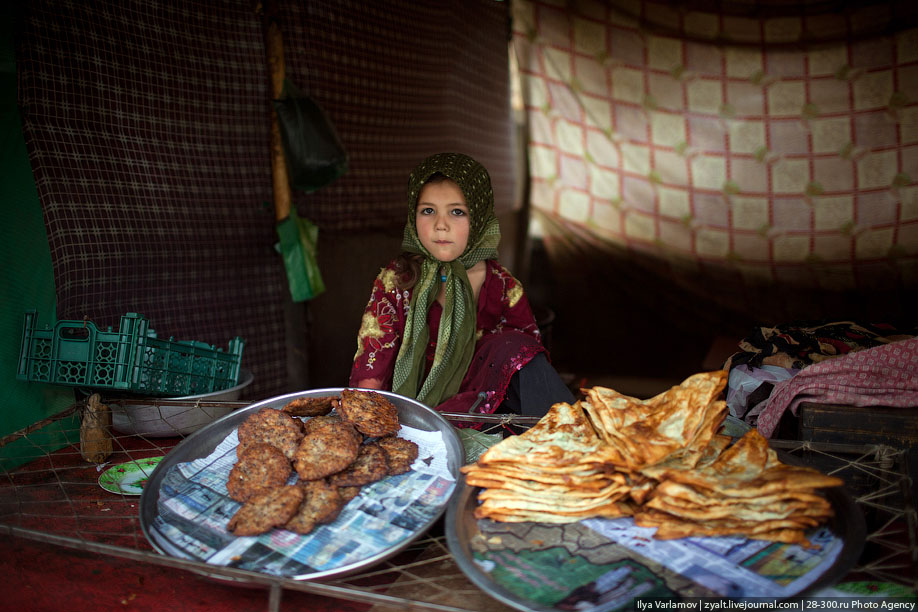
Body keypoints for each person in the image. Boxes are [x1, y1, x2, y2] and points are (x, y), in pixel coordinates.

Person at [349, 152, 574, 420]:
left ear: (479, 217)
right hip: (409, 411)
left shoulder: (504, 287)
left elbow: (525, 366)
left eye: (457, 212)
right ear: (412, 214)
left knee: (517, 347)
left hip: (483, 412)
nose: (440, 225)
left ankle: (560, 439)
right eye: (428, 211)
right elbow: (375, 353)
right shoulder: (398, 279)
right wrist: (364, 415)